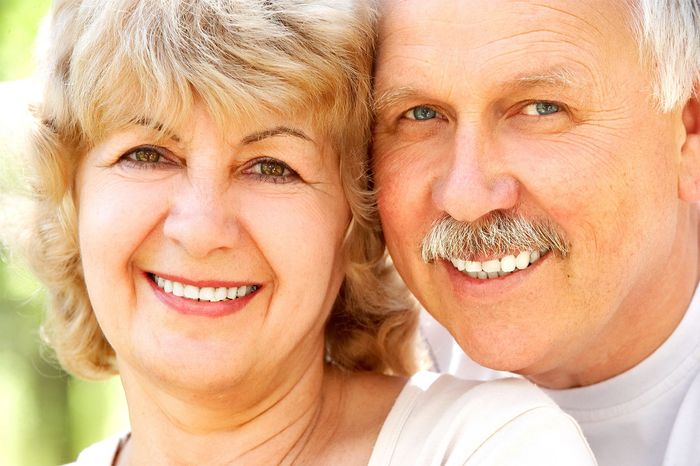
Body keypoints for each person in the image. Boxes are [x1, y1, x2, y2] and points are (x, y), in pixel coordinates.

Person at [5, 0, 598, 464]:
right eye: (148, 155)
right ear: (72, 198)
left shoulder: (486, 449)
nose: (203, 228)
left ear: (355, 224)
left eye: (272, 167)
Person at [371, 0, 700, 465]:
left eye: (541, 109)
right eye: (421, 114)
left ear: (688, 133)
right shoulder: (338, 370)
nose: (465, 199)